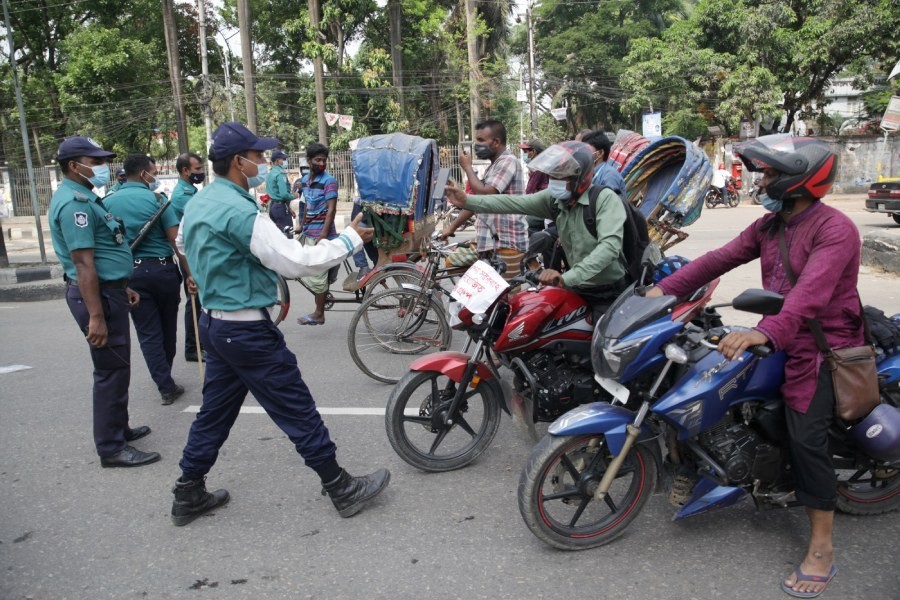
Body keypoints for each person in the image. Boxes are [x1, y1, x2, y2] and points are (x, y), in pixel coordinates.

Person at [645, 136, 851, 598]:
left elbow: (810, 296)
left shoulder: (834, 230)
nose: (763, 181)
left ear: (802, 179)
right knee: (702, 378)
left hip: (823, 346)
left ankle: (821, 546)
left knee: (807, 436)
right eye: (765, 173)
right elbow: (718, 259)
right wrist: (660, 294)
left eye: (773, 175)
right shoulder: (770, 225)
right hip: (779, 336)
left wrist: (765, 332)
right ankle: (707, 467)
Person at [172, 121, 389, 525]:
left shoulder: (199, 203)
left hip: (216, 327)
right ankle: (340, 487)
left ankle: (188, 492)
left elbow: (183, 243)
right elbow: (295, 261)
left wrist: (220, 267)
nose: (263, 163)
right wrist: (350, 240)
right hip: (247, 330)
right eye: (256, 156)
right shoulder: (239, 210)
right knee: (297, 409)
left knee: (214, 414)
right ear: (239, 162)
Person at [49, 136, 160, 468]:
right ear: (74, 165)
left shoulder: (86, 197)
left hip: (110, 291)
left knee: (118, 365)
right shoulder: (75, 204)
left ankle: (119, 428)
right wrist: (96, 315)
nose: (102, 167)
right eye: (94, 161)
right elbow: (83, 263)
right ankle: (111, 448)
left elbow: (104, 254)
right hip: (96, 298)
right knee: (110, 369)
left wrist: (120, 286)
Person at [444, 140, 627, 318]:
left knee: (602, 345)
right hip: (575, 289)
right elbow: (512, 202)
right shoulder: (555, 199)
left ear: (580, 177)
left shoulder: (605, 199)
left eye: (559, 176)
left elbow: (608, 248)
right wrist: (467, 200)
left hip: (607, 293)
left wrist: (567, 277)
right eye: (552, 175)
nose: (553, 181)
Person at [104, 155, 186, 405]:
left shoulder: (106, 203)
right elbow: (176, 241)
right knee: (167, 328)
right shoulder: (158, 200)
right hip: (162, 272)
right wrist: (190, 274)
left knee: (148, 333)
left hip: (130, 275)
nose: (156, 176)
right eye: (153, 172)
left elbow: (105, 245)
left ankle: (164, 383)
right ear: (143, 174)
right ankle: (165, 377)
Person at [440, 119, 527, 280]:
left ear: (496, 142)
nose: (476, 144)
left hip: (506, 242)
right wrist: (451, 228)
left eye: (481, 140)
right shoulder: (492, 167)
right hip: (488, 242)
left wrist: (467, 168)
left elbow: (486, 194)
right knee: (453, 262)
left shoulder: (508, 162)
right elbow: (477, 203)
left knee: (506, 299)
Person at [296, 143, 339, 325]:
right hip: (308, 232)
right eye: (317, 160)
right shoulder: (305, 181)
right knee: (300, 267)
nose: (321, 163)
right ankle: (322, 297)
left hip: (322, 234)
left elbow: (331, 210)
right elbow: (306, 206)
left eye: (324, 160)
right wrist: (301, 225)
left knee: (318, 276)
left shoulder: (329, 181)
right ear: (309, 161)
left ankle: (319, 313)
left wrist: (323, 234)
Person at [171, 152, 206, 362]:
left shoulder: (191, 191)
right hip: (190, 254)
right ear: (185, 171)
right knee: (195, 302)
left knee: (200, 300)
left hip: (197, 252)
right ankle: (193, 347)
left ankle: (201, 344)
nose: (201, 173)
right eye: (198, 169)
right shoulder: (181, 196)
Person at [580, 129, 626, 198]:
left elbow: (611, 205)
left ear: (600, 153)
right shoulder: (590, 173)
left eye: (587, 150)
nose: (584, 154)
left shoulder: (609, 176)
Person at [266, 149, 294, 235]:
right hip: (280, 208)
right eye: (283, 159)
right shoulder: (280, 174)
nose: (285, 161)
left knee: (277, 235)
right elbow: (284, 195)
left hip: (272, 207)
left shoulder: (270, 174)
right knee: (288, 235)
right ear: (278, 161)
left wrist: (289, 208)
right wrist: (295, 195)